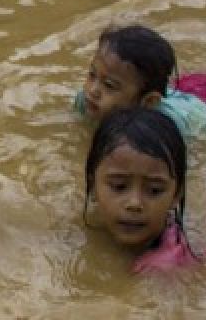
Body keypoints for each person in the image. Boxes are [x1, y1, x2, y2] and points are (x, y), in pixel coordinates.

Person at [74, 24, 206, 139]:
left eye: (109, 85)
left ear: (148, 102)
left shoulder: (161, 131)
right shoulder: (86, 101)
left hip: (202, 112)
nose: (93, 90)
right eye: (92, 75)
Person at [84, 107, 199, 274]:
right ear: (93, 185)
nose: (134, 203)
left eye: (154, 190)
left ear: (176, 194)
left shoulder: (163, 268)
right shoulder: (90, 222)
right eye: (119, 186)